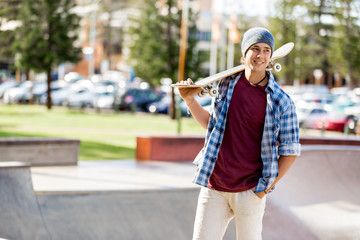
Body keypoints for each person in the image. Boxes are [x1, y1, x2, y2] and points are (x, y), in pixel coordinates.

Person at [178, 27, 301, 240]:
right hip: (215, 186)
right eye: (255, 49)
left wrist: (263, 190)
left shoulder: (282, 101)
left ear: (271, 57)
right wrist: (190, 100)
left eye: (265, 50)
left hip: (250, 190)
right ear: (244, 55)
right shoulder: (226, 85)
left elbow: (290, 152)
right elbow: (212, 126)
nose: (260, 55)